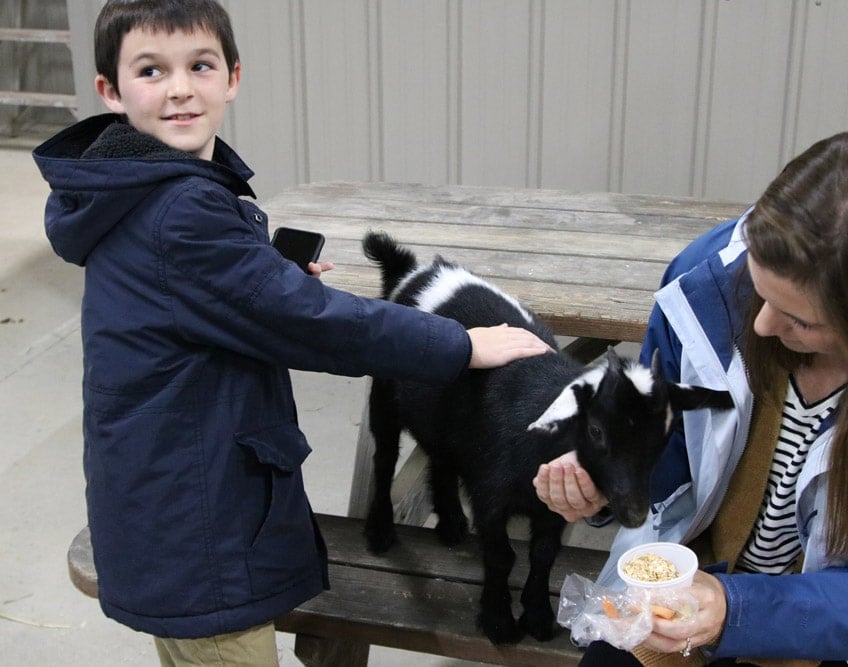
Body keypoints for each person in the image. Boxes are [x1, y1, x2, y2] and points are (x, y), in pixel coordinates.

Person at [32, 1, 551, 664]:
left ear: (232, 76)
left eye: (199, 64)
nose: (181, 87)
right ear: (109, 89)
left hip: (161, 503)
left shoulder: (132, 186)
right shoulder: (180, 209)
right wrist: (461, 343)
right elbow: (319, 324)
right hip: (199, 531)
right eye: (151, 70)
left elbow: (199, 288)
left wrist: (260, 272)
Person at [534, 131, 848, 666]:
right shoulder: (705, 282)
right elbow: (662, 433)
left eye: (802, 319)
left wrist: (738, 612)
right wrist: (607, 476)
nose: (761, 323)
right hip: (698, 579)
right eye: (759, 291)